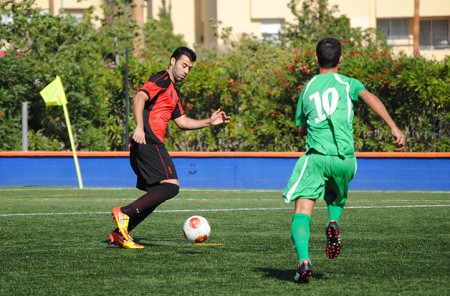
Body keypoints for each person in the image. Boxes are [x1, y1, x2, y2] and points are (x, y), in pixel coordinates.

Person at [283, 38, 406, 283]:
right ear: (340, 59)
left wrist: (308, 127)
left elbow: (300, 129)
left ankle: (304, 262)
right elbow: (369, 97)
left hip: (317, 158)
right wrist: (393, 127)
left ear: (316, 59)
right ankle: (333, 222)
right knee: (336, 195)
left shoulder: (307, 89)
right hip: (345, 159)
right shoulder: (348, 83)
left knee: (302, 210)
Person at [109, 47, 230, 249]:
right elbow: (139, 97)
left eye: (189, 68)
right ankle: (125, 213)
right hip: (148, 141)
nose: (186, 71)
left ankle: (120, 234)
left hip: (147, 144)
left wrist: (209, 122)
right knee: (171, 186)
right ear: (173, 61)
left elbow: (182, 122)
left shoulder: (173, 92)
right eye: (184, 65)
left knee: (157, 193)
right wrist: (139, 126)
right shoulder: (162, 78)